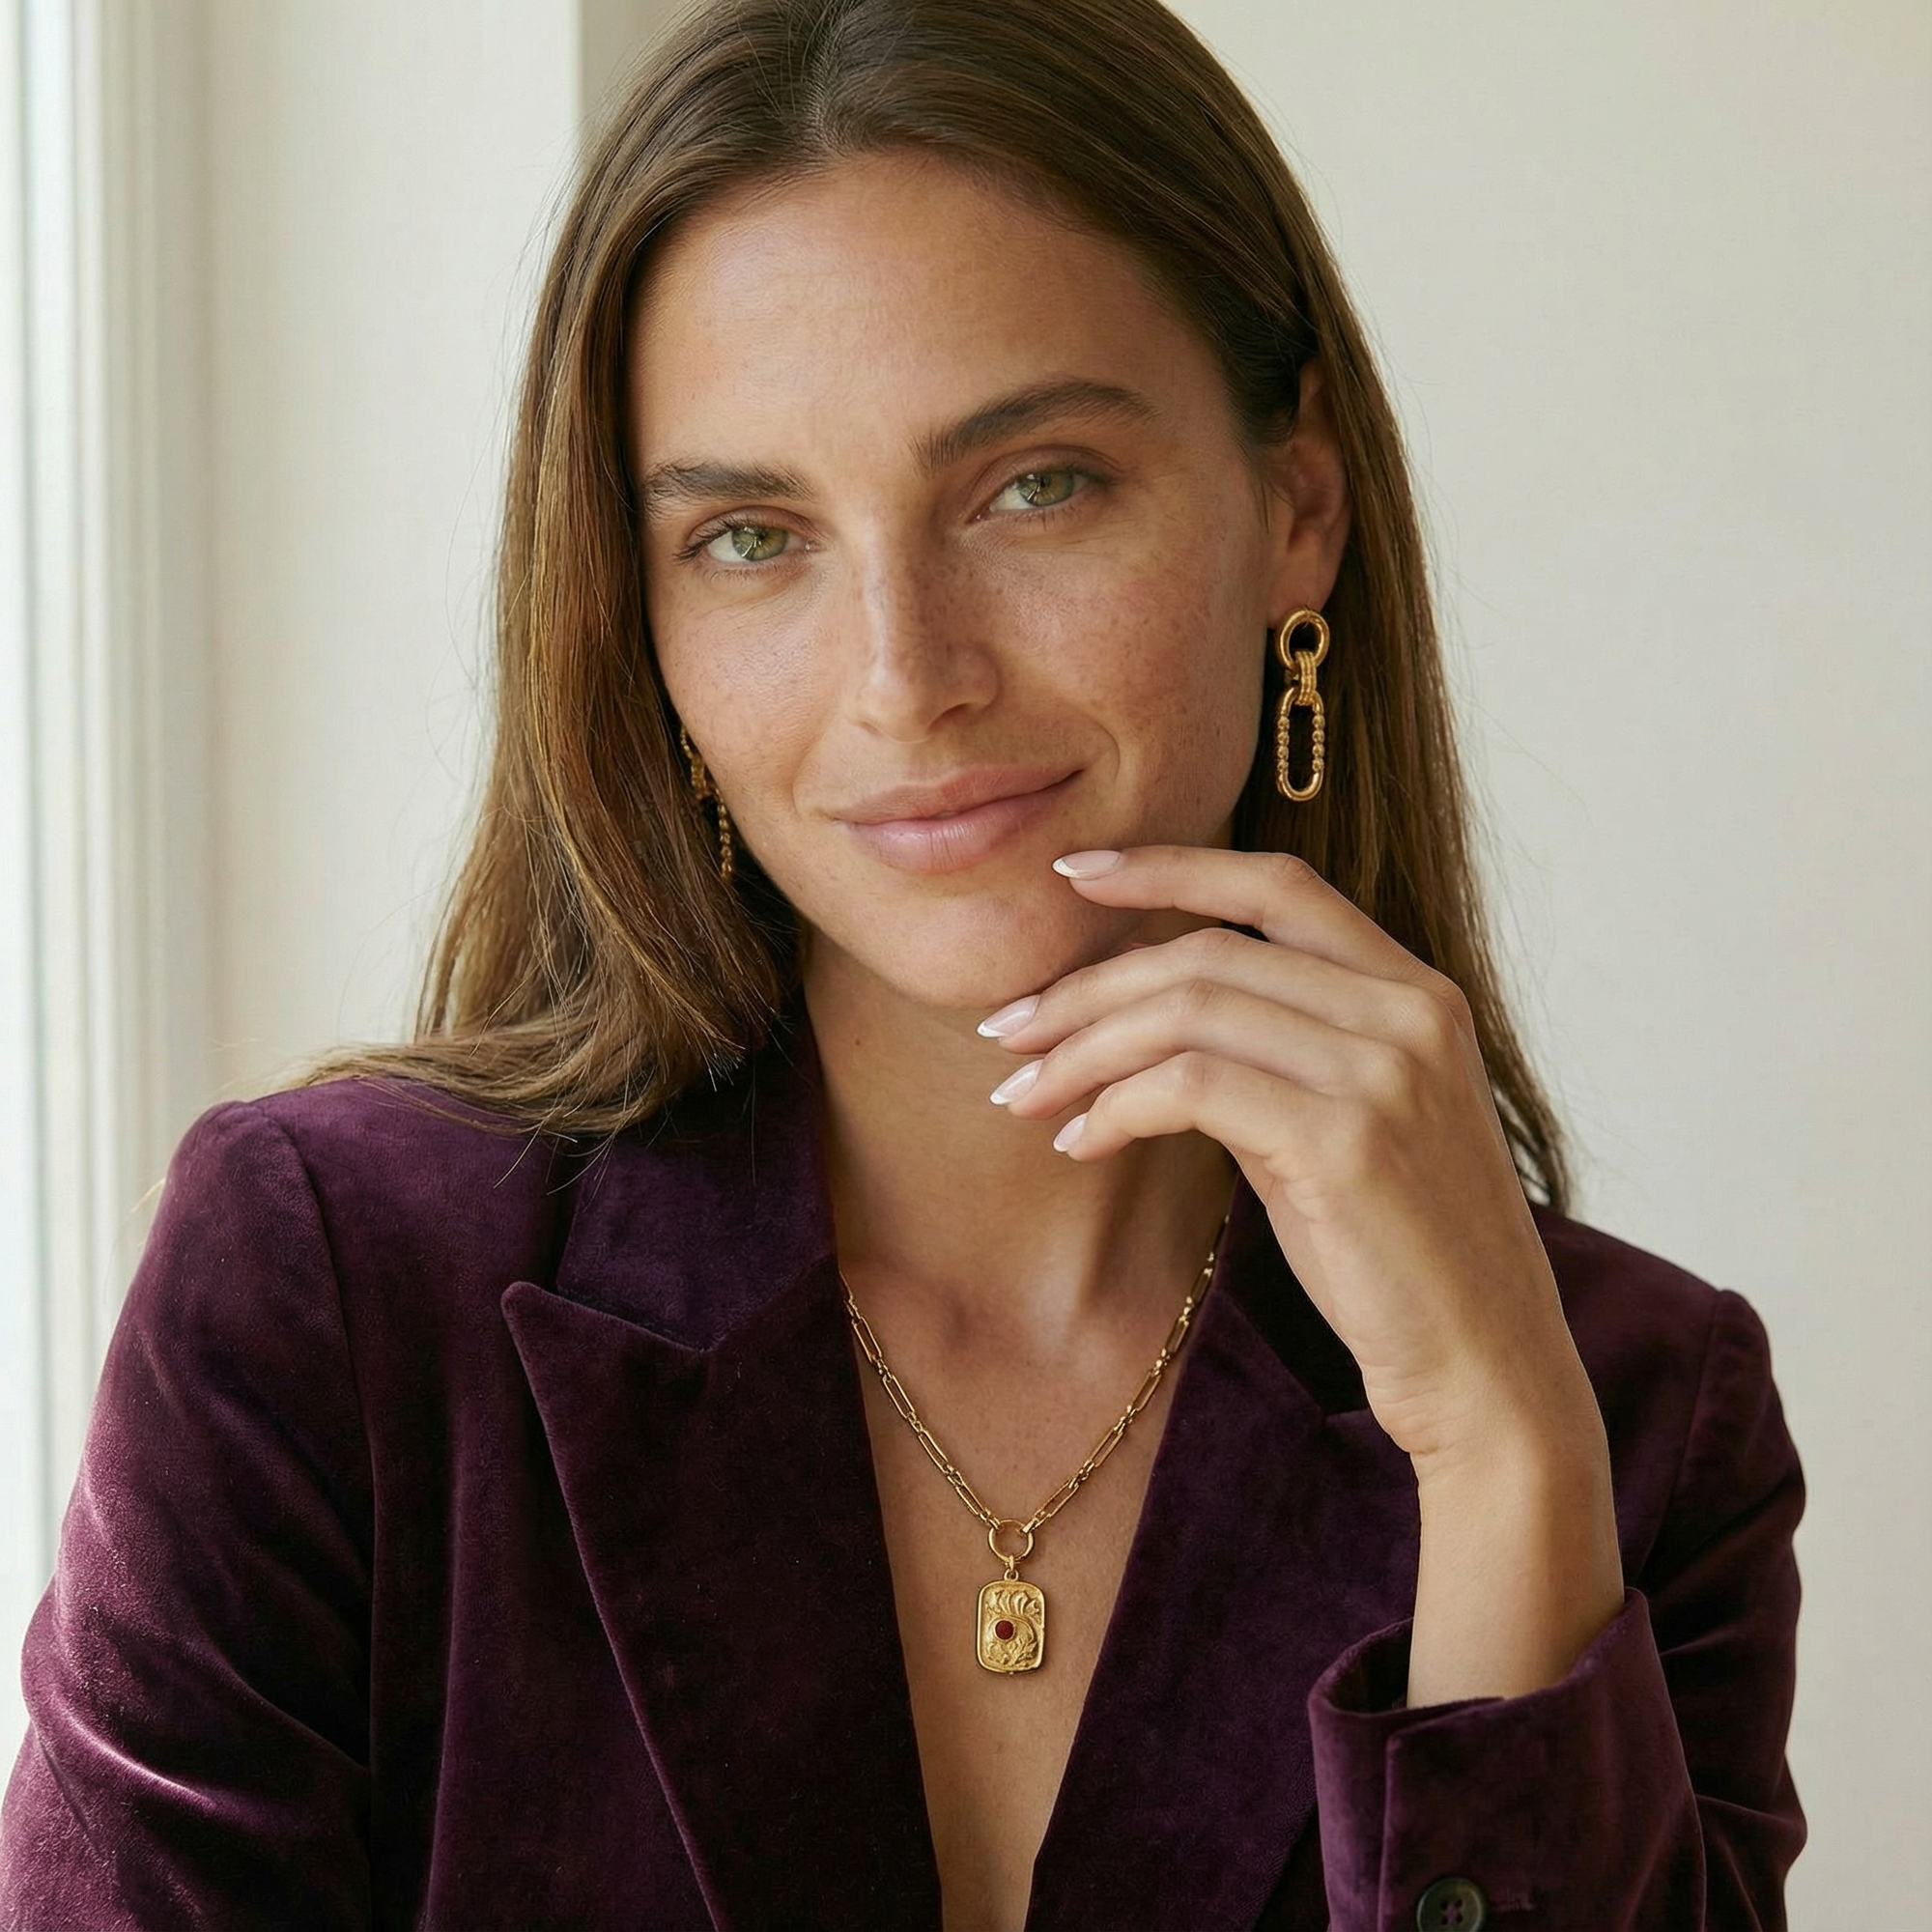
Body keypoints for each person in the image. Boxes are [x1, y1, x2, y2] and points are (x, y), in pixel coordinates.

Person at [0, 0, 1804, 1926]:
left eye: (1033, 485)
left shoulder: (1619, 1418)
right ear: (643, 617)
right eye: (755, 536)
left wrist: (1491, 1448)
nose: (904, 676)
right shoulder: (337, 1296)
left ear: (1298, 509)